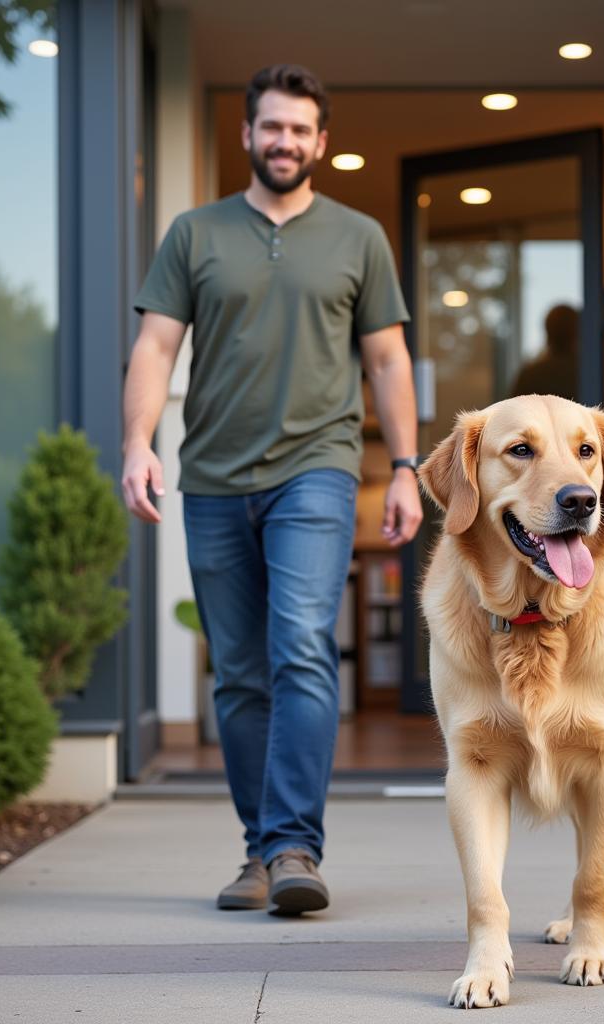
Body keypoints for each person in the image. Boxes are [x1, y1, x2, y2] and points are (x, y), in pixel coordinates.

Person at [121, 64, 422, 916]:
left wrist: (404, 466)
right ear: (248, 135)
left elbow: (388, 358)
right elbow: (154, 347)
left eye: (301, 129)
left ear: (321, 142)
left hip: (317, 470)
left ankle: (295, 846)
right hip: (213, 476)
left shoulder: (358, 236)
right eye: (272, 127)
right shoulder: (194, 234)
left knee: (299, 645)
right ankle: (261, 852)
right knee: (241, 672)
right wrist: (138, 445)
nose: (285, 141)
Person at [510, 303, 579, 400]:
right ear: (576, 333)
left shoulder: (529, 377)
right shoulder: (587, 375)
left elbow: (512, 413)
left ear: (547, 332)